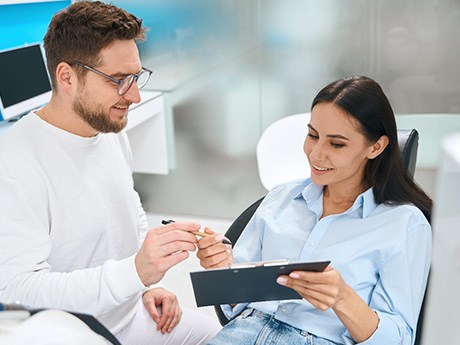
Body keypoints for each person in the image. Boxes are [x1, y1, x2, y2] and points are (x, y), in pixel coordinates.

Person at [0, 2, 220, 344]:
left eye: (135, 76)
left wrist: (148, 283)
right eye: (118, 80)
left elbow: (128, 209)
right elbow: (19, 293)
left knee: (231, 338)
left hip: (133, 314)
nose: (134, 95)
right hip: (75, 333)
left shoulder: (106, 129)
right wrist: (134, 273)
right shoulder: (15, 162)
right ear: (66, 76)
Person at [197, 76, 433, 344]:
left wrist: (343, 298)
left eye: (337, 144)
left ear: (376, 147)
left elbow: (399, 338)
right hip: (244, 331)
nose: (316, 154)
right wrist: (222, 268)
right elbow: (234, 306)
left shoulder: (404, 224)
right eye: (312, 135)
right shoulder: (281, 198)